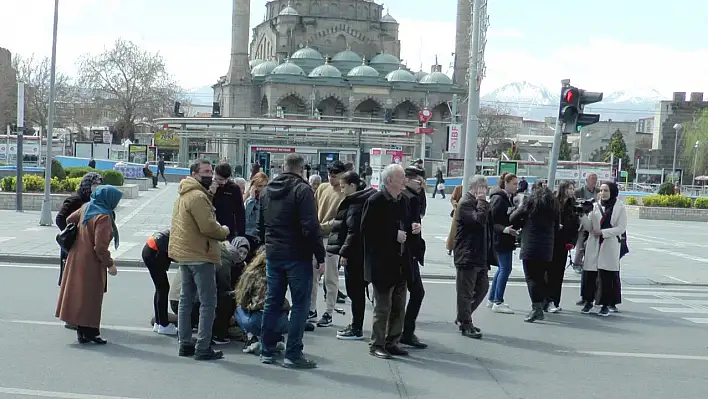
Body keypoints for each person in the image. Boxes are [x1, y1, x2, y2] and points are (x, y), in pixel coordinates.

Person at [260, 152, 325, 368]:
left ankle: (266, 350)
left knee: (272, 301)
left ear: (282, 167)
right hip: (297, 255)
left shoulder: (268, 189)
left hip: (273, 253)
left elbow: (261, 224)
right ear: (302, 168)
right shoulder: (302, 189)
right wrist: (320, 255)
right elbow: (310, 226)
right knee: (300, 305)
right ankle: (292, 354)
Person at [169, 159, 230, 360]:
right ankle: (203, 346)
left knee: (186, 299)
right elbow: (209, 227)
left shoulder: (183, 195)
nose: (210, 174)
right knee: (207, 301)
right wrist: (224, 231)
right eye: (205, 171)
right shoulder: (197, 197)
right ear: (194, 174)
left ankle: (184, 343)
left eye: (211, 171)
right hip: (200, 255)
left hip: (185, 254)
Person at [361, 163, 416, 359]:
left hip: (400, 262)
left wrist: (413, 228)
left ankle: (393, 340)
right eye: (401, 178)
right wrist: (394, 234)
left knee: (399, 305)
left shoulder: (402, 200)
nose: (405, 182)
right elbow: (366, 229)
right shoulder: (376, 200)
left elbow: (406, 224)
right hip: (381, 263)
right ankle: (377, 343)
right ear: (390, 180)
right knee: (383, 307)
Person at [55, 185, 123, 344]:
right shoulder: (103, 217)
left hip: (76, 257)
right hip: (91, 262)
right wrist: (110, 264)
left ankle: (83, 332)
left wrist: (81, 234)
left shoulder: (86, 207)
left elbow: (68, 219)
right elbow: (100, 247)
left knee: (80, 296)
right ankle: (91, 332)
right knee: (92, 297)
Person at [326, 171, 375, 340]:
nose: (342, 190)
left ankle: (356, 327)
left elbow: (353, 231)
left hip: (355, 255)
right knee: (357, 291)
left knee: (355, 291)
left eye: (344, 187)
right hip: (362, 253)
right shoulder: (364, 199)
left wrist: (344, 253)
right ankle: (356, 325)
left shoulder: (356, 204)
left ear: (353, 185)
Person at [453, 176, 496, 338]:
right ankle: (465, 323)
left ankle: (463, 316)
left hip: (480, 254)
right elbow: (478, 221)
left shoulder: (479, 203)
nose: (485, 190)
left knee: (483, 287)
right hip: (467, 254)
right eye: (482, 187)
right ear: (475, 187)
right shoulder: (466, 203)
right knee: (465, 291)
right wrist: (482, 202)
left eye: (486, 187)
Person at [510, 184, 559, 323]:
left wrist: (521, 212)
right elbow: (557, 227)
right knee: (541, 277)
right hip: (547, 247)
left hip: (530, 246)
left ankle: (536, 307)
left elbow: (513, 218)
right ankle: (542, 303)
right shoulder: (554, 208)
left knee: (532, 278)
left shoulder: (530, 204)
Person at [579, 182, 627, 316]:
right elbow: (589, 227)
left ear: (612, 192)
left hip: (609, 243)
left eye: (606, 190)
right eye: (601, 190)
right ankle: (588, 302)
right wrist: (581, 215)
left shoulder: (619, 208)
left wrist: (604, 232)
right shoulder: (595, 206)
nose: (603, 193)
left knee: (606, 275)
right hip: (594, 243)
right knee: (590, 274)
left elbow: (621, 228)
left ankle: (605, 305)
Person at [311, 160, 346, 327]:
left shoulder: (345, 192)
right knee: (312, 275)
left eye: (334, 176)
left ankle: (329, 311)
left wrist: (319, 226)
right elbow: (314, 207)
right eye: (329, 175)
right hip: (317, 236)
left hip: (332, 239)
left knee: (330, 278)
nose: (331, 179)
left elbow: (340, 220)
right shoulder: (322, 188)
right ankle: (311, 309)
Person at [234, 250, 288, 355]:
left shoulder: (251, 274)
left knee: (238, 310)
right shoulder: (280, 273)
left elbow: (242, 298)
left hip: (258, 320)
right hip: (281, 321)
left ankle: (251, 338)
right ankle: (277, 339)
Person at [56, 172, 103, 290]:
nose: (97, 186)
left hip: (88, 247)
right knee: (71, 283)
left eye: (99, 184)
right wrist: (72, 233)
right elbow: (60, 219)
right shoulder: (74, 200)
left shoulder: (97, 201)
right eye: (94, 184)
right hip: (72, 246)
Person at [400, 166, 428, 348]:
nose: (421, 185)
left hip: (410, 252)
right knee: (416, 292)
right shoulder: (408, 198)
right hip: (407, 253)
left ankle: (404, 331)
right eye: (418, 181)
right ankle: (406, 332)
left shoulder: (412, 196)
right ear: (407, 180)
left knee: (405, 293)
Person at [546, 181, 580, 313]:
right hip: (552, 242)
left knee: (559, 273)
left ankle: (554, 301)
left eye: (573, 188)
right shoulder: (554, 203)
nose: (572, 191)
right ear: (563, 189)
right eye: (570, 188)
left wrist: (572, 242)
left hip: (564, 244)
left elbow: (576, 227)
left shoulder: (573, 206)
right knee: (549, 272)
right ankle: (547, 301)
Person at [488, 172, 518, 314]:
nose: (516, 187)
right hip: (500, 238)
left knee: (502, 268)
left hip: (504, 237)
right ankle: (497, 301)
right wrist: (505, 229)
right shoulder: (499, 199)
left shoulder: (507, 198)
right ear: (505, 183)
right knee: (505, 268)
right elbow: (492, 220)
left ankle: (492, 298)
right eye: (514, 184)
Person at [142, 228, 176, 335]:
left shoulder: (179, 228)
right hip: (154, 252)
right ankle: (163, 325)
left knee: (160, 287)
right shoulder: (185, 233)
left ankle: (158, 322)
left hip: (150, 248)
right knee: (163, 288)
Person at [213, 162, 246, 242]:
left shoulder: (234, 188)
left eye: (226, 180)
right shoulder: (209, 185)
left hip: (229, 229)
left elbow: (240, 212)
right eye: (220, 179)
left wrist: (241, 234)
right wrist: (211, 193)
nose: (223, 183)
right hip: (213, 226)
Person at [573, 173, 598, 277]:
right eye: (592, 179)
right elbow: (574, 204)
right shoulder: (579, 191)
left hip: (594, 219)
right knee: (580, 243)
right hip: (582, 220)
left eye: (595, 179)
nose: (594, 181)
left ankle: (587, 263)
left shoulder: (598, 191)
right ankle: (577, 264)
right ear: (587, 180)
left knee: (590, 243)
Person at [244, 172, 269, 260]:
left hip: (262, 236)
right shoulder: (249, 200)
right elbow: (246, 216)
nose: (262, 189)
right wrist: (252, 198)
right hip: (249, 235)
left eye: (265, 186)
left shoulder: (268, 200)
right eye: (260, 186)